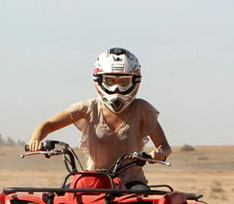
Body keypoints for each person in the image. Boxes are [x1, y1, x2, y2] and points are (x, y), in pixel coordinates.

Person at [27, 47, 172, 188]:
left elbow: (164, 146)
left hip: (130, 183)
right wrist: (35, 140)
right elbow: (48, 124)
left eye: (123, 82)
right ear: (99, 80)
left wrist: (159, 154)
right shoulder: (89, 108)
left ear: (134, 81)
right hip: (93, 182)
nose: (117, 89)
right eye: (110, 81)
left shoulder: (141, 108)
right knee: (63, 200)